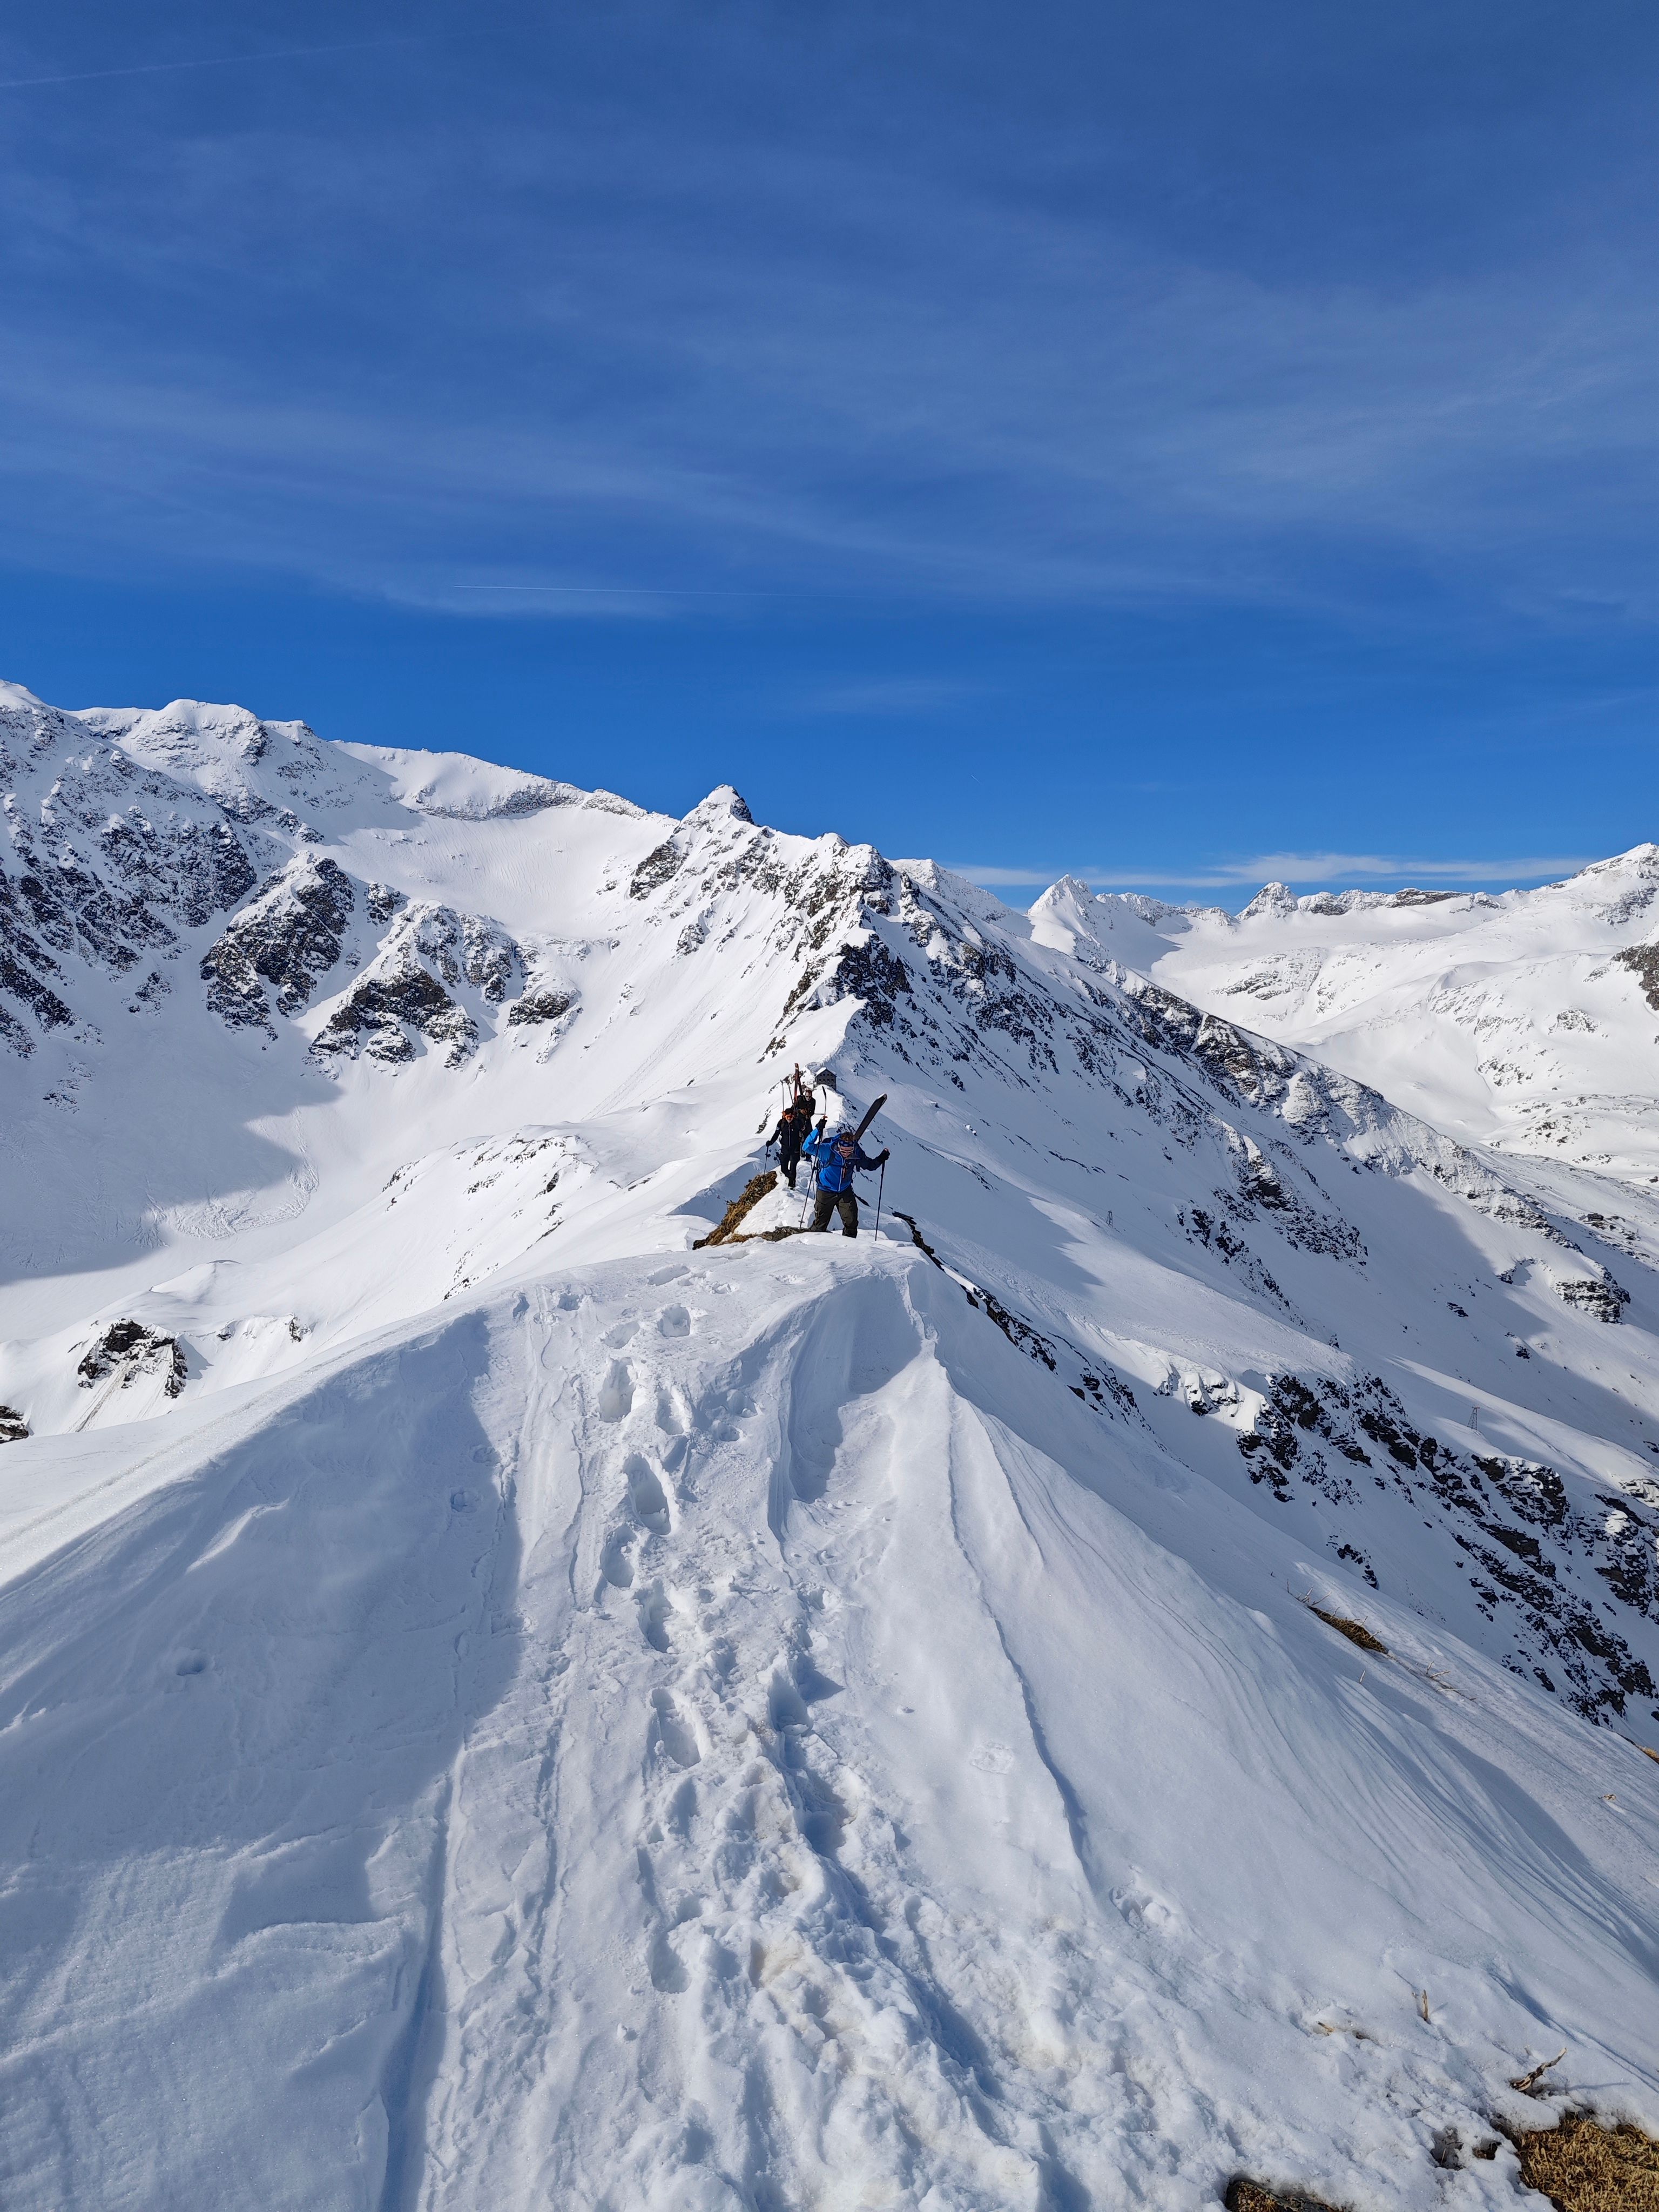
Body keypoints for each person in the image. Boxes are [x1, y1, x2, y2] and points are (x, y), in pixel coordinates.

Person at [801, 1122, 889, 1237]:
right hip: (825, 1190)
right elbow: (807, 1147)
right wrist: (818, 1129)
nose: (847, 1154)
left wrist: (882, 1157)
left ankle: (848, 1248)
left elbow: (870, 1165)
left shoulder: (856, 1152)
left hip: (845, 1190)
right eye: (844, 1151)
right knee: (820, 1224)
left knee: (851, 1221)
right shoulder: (827, 1151)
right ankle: (811, 1246)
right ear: (839, 1146)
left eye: (850, 1151)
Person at [771, 1083, 817, 1189]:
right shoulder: (782, 1123)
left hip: (796, 1148)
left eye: (810, 1097)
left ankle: (792, 1184)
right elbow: (794, 1108)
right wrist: (800, 1111)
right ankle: (791, 1178)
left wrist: (810, 1116)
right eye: (788, 1116)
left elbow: (812, 1113)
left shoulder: (813, 1103)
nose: (808, 1098)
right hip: (786, 1149)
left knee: (793, 1167)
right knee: (784, 1169)